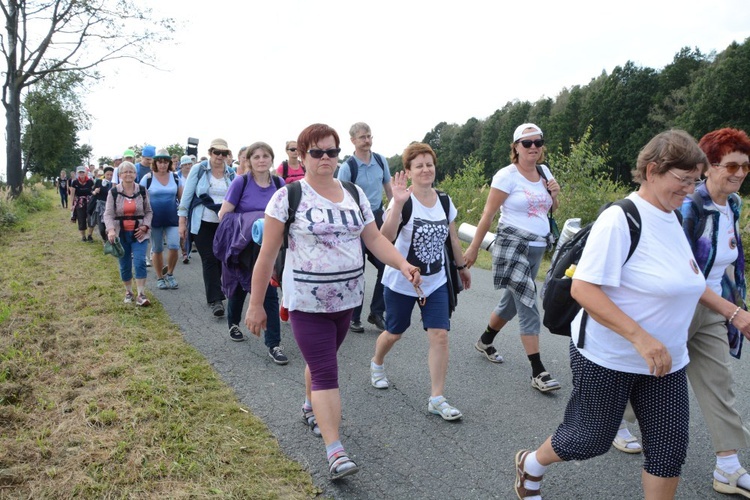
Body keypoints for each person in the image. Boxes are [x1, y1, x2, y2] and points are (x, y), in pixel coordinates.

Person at [512, 129, 720, 500]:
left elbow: (688, 280)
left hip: (665, 360)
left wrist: (735, 313)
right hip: (609, 356)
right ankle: (532, 463)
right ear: (653, 170)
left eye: (696, 180)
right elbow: (584, 289)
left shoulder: (671, 217)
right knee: (588, 439)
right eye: (684, 180)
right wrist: (641, 337)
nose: (691, 189)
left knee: (669, 452)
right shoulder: (621, 219)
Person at [245, 123, 420, 481]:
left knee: (321, 359)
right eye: (317, 152)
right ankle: (335, 450)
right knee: (326, 370)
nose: (325, 158)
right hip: (306, 303)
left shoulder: (354, 193)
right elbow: (266, 256)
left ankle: (310, 405)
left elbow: (373, 239)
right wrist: (256, 304)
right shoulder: (287, 197)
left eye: (332, 152)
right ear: (302, 155)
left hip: (348, 300)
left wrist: (402, 263)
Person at [615, 128, 750, 496]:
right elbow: (677, 270)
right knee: (649, 372)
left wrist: (736, 306)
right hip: (677, 306)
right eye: (731, 165)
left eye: (745, 166)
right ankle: (616, 421)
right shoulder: (687, 206)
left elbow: (728, 264)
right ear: (709, 167)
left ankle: (728, 467)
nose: (739, 173)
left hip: (712, 307)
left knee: (719, 381)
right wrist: (734, 313)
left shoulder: (733, 205)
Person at [369, 143, 471, 421]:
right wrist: (398, 203)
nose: (426, 169)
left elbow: (451, 239)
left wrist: (461, 267)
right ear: (409, 171)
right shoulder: (403, 200)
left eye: (429, 164)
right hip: (401, 281)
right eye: (419, 165)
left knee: (439, 335)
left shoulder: (445, 201)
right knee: (395, 332)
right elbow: (385, 238)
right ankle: (377, 363)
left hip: (435, 281)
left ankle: (437, 398)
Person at [463, 123, 562, 392]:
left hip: (538, 247)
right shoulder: (506, 176)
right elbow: (488, 214)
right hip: (512, 246)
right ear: (516, 147)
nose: (533, 148)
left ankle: (485, 340)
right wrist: (473, 248)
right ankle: (538, 370)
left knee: (512, 300)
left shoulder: (544, 172)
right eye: (527, 143)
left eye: (538, 143)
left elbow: (550, 209)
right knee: (528, 301)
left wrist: (554, 194)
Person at [216, 142, 287, 363]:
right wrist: (253, 220)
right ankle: (234, 323)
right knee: (239, 286)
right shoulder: (241, 182)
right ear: (248, 160)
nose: (261, 160)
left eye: (265, 156)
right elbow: (223, 215)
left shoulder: (279, 183)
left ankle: (274, 344)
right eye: (256, 157)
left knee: (268, 292)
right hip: (243, 246)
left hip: (269, 247)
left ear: (272, 159)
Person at [336, 122, 392, 333]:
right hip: (355, 222)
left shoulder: (380, 161)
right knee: (356, 270)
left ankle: (376, 312)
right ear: (353, 141)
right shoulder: (347, 167)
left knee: (387, 266)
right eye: (362, 137)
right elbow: (340, 199)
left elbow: (389, 189)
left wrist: (396, 213)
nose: (367, 140)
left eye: (369, 136)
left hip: (377, 219)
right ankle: (353, 316)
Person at [178, 138, 236, 317]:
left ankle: (217, 291)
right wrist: (182, 221)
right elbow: (187, 195)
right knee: (209, 258)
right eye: (216, 152)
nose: (219, 156)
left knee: (220, 260)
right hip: (202, 222)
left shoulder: (231, 173)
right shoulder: (199, 169)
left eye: (223, 153)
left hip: (223, 224)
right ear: (210, 152)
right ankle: (215, 300)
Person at [104, 161, 153, 307]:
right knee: (124, 265)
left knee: (139, 262)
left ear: (135, 174)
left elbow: (149, 211)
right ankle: (128, 292)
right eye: (125, 172)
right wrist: (111, 230)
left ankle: (141, 294)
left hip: (139, 233)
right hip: (121, 234)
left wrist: (145, 226)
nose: (128, 174)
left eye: (131, 171)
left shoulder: (142, 190)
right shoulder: (113, 192)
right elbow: (108, 214)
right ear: (119, 175)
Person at [141, 149, 183, 290]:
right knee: (157, 248)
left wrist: (184, 219)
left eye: (166, 162)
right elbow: (141, 200)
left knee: (174, 246)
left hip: (172, 218)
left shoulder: (176, 177)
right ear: (155, 163)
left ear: (169, 163)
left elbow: (181, 200)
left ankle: (170, 274)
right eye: (160, 161)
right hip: (154, 219)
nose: (163, 165)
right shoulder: (148, 178)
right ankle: (159, 277)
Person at [70, 166, 96, 242]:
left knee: (91, 218)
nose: (81, 174)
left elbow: (93, 191)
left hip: (89, 202)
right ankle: (83, 236)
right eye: (80, 172)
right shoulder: (75, 182)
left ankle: (90, 235)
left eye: (83, 172)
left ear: (86, 173)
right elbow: (72, 194)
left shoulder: (90, 181)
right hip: (79, 203)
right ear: (77, 173)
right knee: (81, 219)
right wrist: (71, 205)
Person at [91, 166, 114, 240]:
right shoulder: (99, 181)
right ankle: (104, 239)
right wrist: (95, 191)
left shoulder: (115, 184)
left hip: (110, 206)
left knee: (109, 226)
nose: (109, 176)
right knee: (101, 228)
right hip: (100, 206)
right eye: (108, 174)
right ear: (104, 174)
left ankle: (109, 241)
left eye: (111, 175)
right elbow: (92, 191)